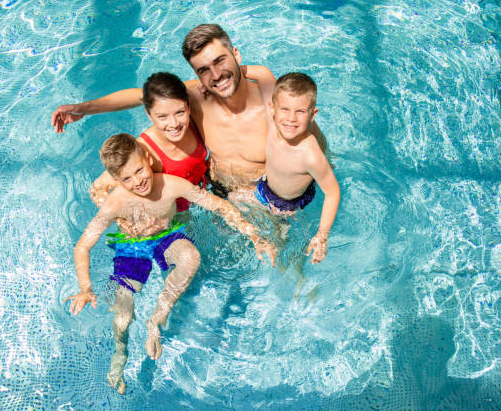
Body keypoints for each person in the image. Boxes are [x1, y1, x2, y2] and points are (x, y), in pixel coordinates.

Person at [64, 133, 276, 395]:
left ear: (149, 159)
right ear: (116, 181)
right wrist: (85, 288)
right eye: (126, 179)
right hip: (132, 246)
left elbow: (220, 206)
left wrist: (253, 234)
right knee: (122, 317)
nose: (137, 181)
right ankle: (119, 358)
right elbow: (82, 246)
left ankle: (157, 318)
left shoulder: (171, 185)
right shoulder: (115, 202)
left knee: (191, 257)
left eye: (139, 171)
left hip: (165, 235)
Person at [51, 23, 326, 199]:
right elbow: (141, 96)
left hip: (267, 196)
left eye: (220, 61)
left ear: (237, 56)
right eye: (204, 70)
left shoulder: (272, 103)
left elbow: (314, 145)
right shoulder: (195, 97)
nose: (216, 75)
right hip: (216, 192)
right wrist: (83, 109)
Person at [87, 72, 208, 212]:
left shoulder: (194, 121)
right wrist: (123, 218)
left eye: (180, 112)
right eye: (162, 117)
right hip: (175, 216)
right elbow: (98, 188)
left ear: (189, 106)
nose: (174, 124)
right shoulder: (145, 150)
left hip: (202, 194)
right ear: (149, 115)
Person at [252, 72, 340, 263]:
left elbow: (333, 192)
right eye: (285, 109)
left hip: (289, 205)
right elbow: (263, 77)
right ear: (272, 109)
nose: (291, 118)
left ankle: (295, 275)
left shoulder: (309, 154)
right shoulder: (273, 123)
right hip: (264, 188)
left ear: (312, 114)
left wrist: (322, 236)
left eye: (300, 111)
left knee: (281, 247)